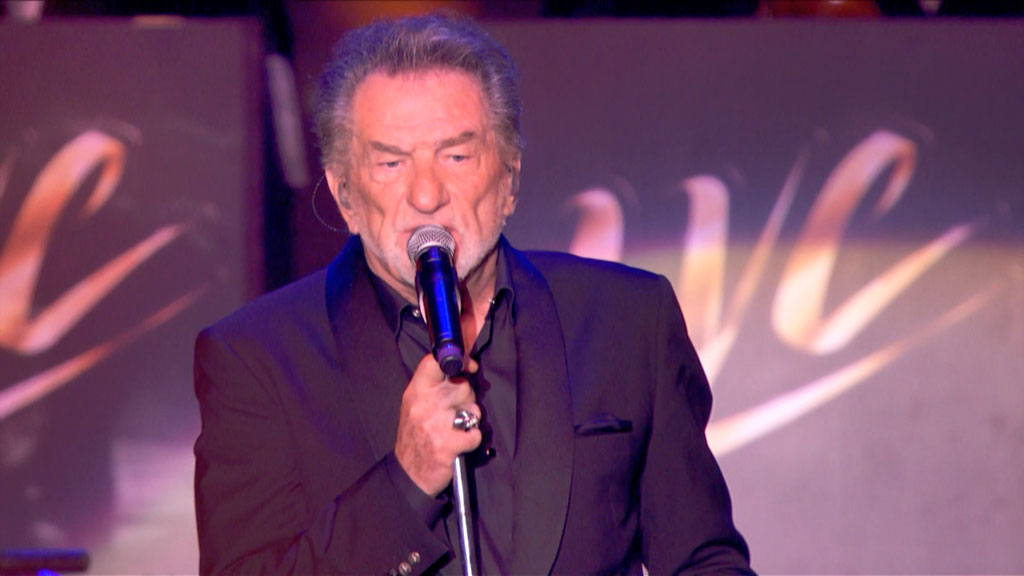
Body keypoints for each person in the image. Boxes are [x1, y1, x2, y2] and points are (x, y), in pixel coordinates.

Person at [193, 11, 754, 576]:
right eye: (391, 162)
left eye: (456, 156)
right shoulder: (257, 360)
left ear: (509, 178)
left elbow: (705, 562)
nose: (426, 194)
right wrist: (406, 481)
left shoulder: (627, 321)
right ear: (345, 197)